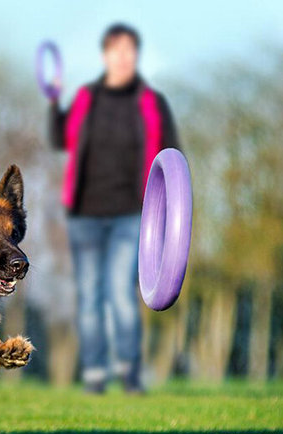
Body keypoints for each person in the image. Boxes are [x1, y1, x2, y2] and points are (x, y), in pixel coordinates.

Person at [48, 23, 180, 394]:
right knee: (89, 293)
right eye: (116, 51)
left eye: (130, 51)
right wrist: (53, 103)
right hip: (84, 213)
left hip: (132, 212)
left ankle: (129, 369)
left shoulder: (152, 103)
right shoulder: (86, 98)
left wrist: (171, 215)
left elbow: (171, 156)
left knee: (121, 292)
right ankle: (93, 372)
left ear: (136, 56)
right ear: (105, 55)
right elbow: (62, 138)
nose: (123, 58)